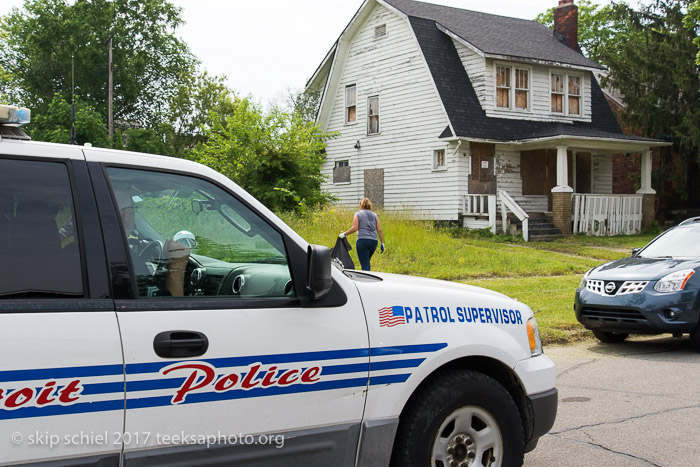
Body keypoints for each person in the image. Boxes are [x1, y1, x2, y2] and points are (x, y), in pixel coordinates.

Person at [114, 186, 190, 297]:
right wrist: (176, 266)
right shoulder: (125, 262)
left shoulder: (95, 249)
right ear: (126, 215)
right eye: (133, 208)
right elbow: (167, 307)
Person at [340, 198, 385, 271]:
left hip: (362, 241)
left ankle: (366, 281)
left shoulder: (358, 214)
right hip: (374, 241)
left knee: (365, 265)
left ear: (361, 205)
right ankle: (369, 279)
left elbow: (355, 228)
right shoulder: (375, 215)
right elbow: (379, 230)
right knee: (366, 262)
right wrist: (382, 243)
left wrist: (344, 234)